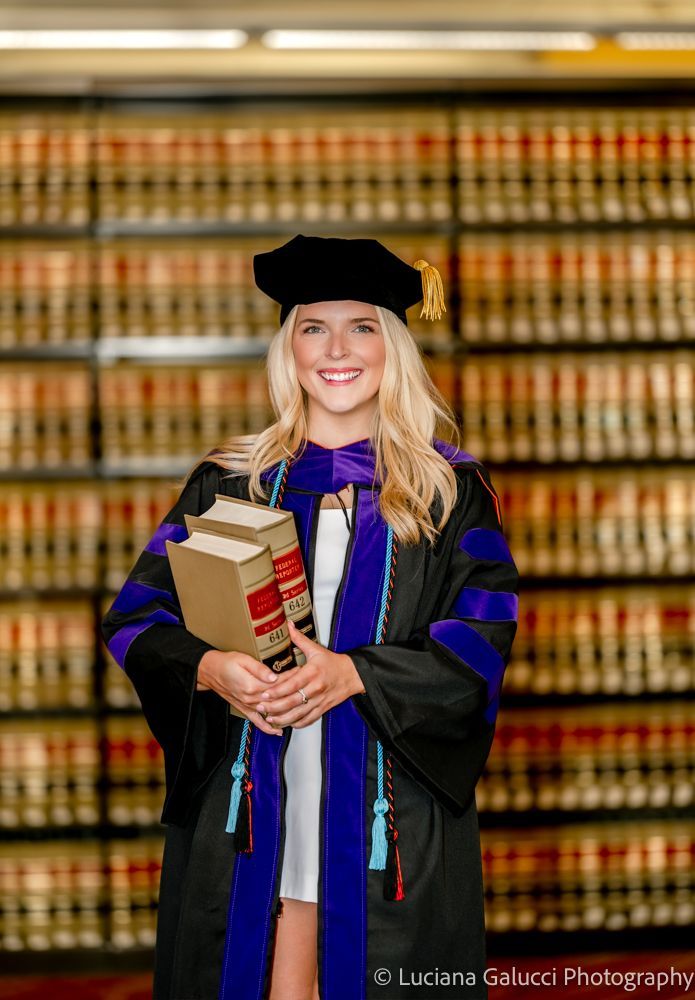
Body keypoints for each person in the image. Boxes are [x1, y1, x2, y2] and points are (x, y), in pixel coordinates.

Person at [101, 234, 520, 1000]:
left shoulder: (446, 493)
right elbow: (136, 620)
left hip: (383, 795)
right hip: (255, 790)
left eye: (361, 326)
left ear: (392, 346)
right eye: (312, 327)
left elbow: (482, 639)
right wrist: (212, 670)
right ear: (286, 347)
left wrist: (354, 674)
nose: (337, 349)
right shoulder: (230, 481)